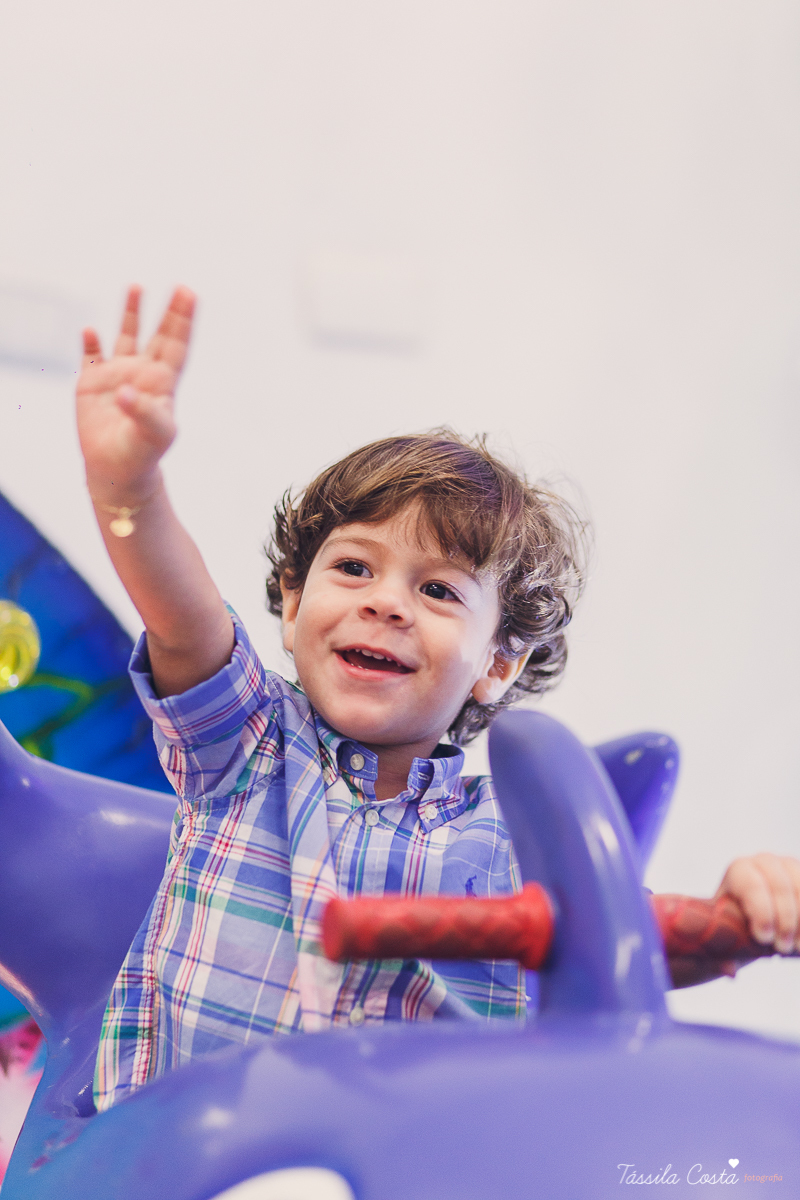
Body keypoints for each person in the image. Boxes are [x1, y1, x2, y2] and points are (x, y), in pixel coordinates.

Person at [78, 286, 800, 1112]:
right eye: (353, 567)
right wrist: (129, 489)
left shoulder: (515, 839)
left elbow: (625, 953)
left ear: (496, 664)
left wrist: (742, 913)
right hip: (189, 1162)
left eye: (439, 591)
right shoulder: (246, 745)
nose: (386, 602)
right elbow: (179, 615)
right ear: (290, 602)